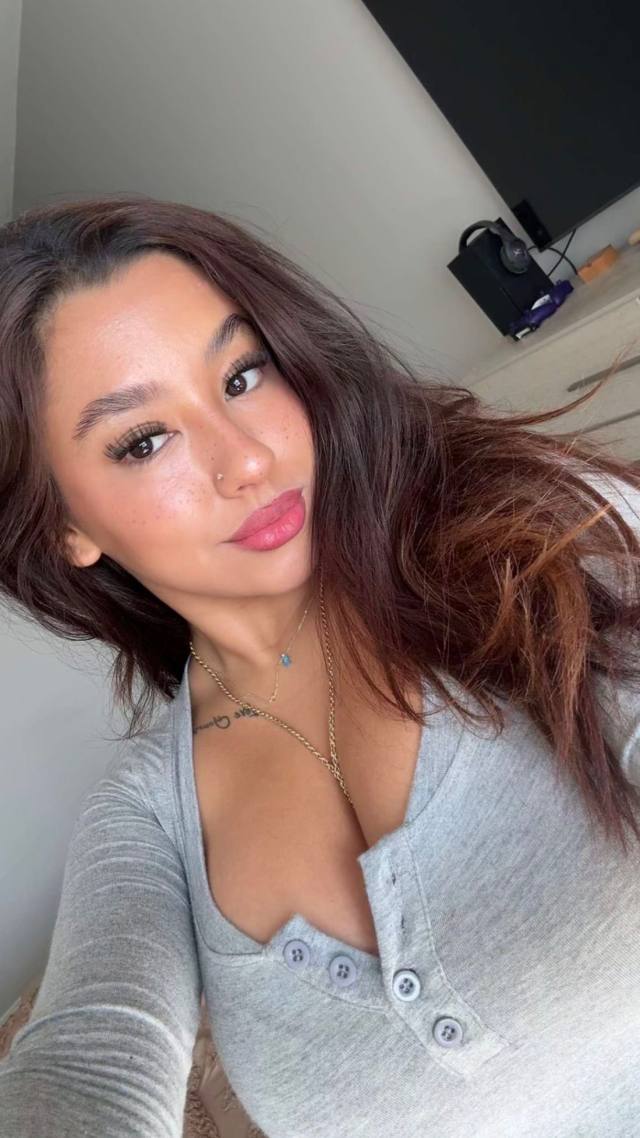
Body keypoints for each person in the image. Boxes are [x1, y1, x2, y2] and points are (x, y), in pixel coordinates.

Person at [0, 193, 639, 1138]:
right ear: (66, 527)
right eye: (143, 440)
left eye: (242, 374)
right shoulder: (144, 819)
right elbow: (85, 1064)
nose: (247, 459)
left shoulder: (531, 542)